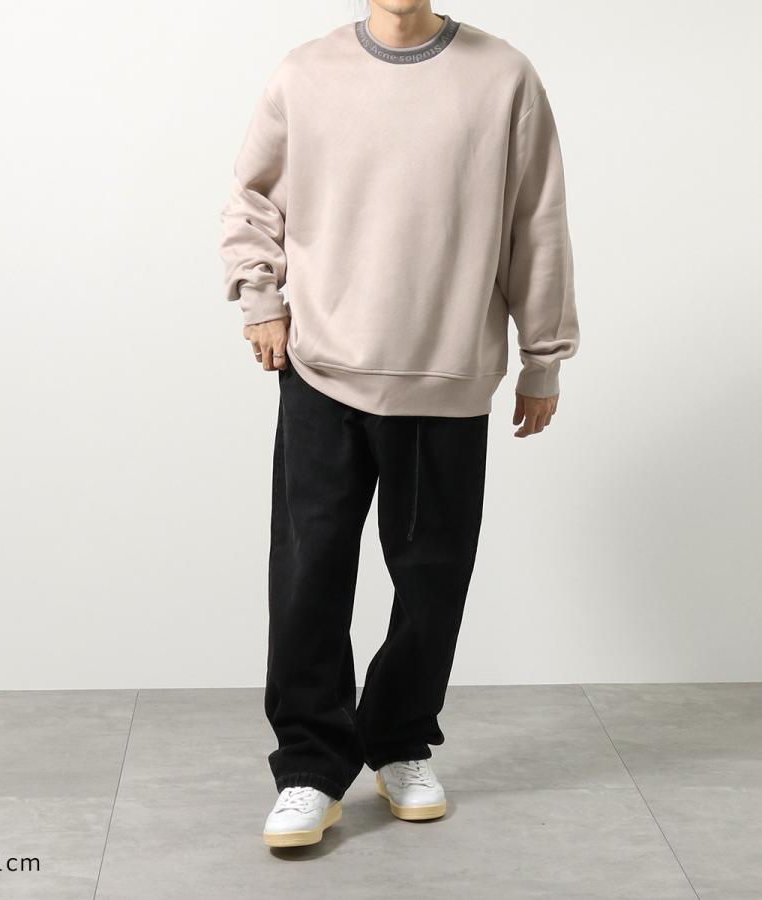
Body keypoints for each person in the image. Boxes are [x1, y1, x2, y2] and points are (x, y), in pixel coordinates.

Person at [219, 1, 580, 848]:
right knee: (309, 577)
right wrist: (261, 298)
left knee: (432, 582)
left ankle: (400, 741)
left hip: (447, 373)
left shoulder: (504, 77)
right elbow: (253, 197)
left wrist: (543, 355)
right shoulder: (306, 72)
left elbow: (537, 220)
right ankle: (311, 767)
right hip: (322, 369)